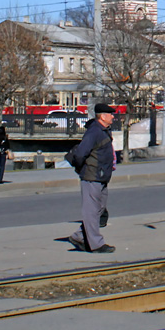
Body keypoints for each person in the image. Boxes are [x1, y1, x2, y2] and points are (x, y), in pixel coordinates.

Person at [67, 103, 117, 253]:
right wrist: (83, 168)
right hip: (92, 176)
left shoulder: (103, 131)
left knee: (99, 209)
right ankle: (96, 244)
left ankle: (79, 236)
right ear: (102, 116)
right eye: (110, 114)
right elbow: (81, 153)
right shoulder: (94, 131)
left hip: (101, 176)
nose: (113, 117)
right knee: (91, 210)